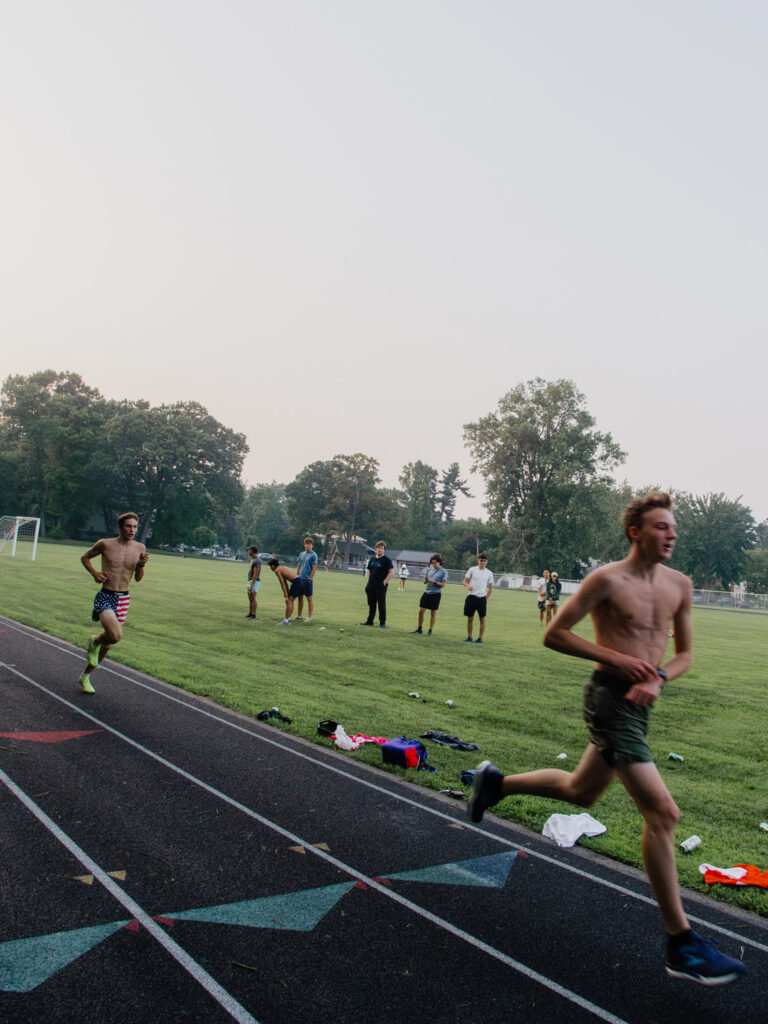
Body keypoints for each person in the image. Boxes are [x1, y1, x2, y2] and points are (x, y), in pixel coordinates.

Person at [467, 492, 746, 986]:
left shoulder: (679, 585)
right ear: (636, 532)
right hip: (609, 699)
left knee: (582, 792)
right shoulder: (606, 580)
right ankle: (682, 944)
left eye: (673, 528)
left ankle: (496, 785)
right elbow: (555, 633)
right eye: (662, 527)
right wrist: (618, 660)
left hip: (641, 704)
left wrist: (658, 677)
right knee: (663, 813)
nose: (672, 535)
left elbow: (685, 655)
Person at [78, 511, 149, 693]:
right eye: (128, 526)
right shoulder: (105, 544)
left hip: (123, 599)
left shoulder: (140, 548)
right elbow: (85, 557)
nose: (132, 530)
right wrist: (95, 573)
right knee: (116, 635)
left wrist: (140, 566)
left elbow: (139, 579)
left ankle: (85, 676)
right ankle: (94, 641)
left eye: (134, 526)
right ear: (120, 527)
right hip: (106, 596)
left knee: (108, 644)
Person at [411, 554, 447, 636]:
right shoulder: (429, 570)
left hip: (436, 594)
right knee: (421, 611)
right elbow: (424, 581)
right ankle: (419, 629)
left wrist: (434, 582)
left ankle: (430, 630)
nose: (433, 565)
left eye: (435, 563)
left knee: (433, 613)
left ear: (439, 562)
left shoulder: (443, 571)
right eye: (432, 563)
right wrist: (426, 580)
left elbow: (443, 585)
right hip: (427, 593)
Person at [362, 541, 395, 628]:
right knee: (371, 604)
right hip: (371, 585)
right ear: (376, 548)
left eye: (382, 548)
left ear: (384, 550)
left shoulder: (387, 560)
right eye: (378, 548)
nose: (380, 549)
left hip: (380, 586)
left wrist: (384, 582)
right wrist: (368, 582)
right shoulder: (372, 559)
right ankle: (370, 621)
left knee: (381, 604)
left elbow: (391, 572)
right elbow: (369, 571)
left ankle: (382, 623)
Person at [462, 553, 493, 643]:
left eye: (484, 561)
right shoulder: (472, 569)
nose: (482, 562)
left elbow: (490, 588)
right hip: (471, 597)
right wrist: (467, 586)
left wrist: (486, 599)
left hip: (482, 598)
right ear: (478, 560)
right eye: (481, 560)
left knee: (482, 619)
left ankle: (480, 638)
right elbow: (464, 581)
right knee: (470, 618)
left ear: (486, 562)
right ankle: (469, 637)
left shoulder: (489, 573)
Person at [293, 536, 318, 623]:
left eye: (310, 544)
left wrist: (309, 578)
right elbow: (299, 565)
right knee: (300, 597)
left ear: (312, 545)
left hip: (308, 580)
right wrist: (296, 576)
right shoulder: (301, 554)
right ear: (304, 545)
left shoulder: (314, 555)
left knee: (309, 598)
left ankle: (309, 617)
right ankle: (299, 615)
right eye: (307, 544)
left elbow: (314, 568)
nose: (308, 545)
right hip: (300, 579)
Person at [268, 558, 299, 623]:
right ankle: (288, 618)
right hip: (299, 581)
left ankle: (286, 621)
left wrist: (286, 595)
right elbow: (285, 583)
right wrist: (287, 594)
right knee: (290, 601)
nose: (270, 568)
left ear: (273, 566)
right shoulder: (281, 567)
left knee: (289, 601)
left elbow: (282, 584)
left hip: (297, 582)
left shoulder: (277, 570)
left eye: (270, 566)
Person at [246, 545, 261, 619]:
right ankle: (250, 613)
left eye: (249, 550)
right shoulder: (253, 559)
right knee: (250, 598)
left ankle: (254, 615)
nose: (248, 551)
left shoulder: (257, 560)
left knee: (253, 598)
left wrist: (252, 586)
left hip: (254, 581)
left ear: (252, 551)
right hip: (250, 580)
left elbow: (255, 575)